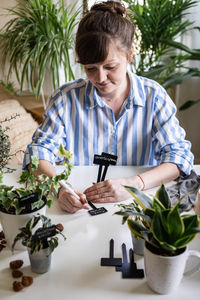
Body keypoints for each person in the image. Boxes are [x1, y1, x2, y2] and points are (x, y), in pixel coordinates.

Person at [23, 1, 193, 214]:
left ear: (130, 54)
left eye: (110, 67)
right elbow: (36, 154)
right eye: (90, 68)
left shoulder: (154, 96)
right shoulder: (65, 99)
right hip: (81, 212)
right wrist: (58, 188)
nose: (100, 78)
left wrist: (135, 184)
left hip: (140, 208)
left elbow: (179, 158)